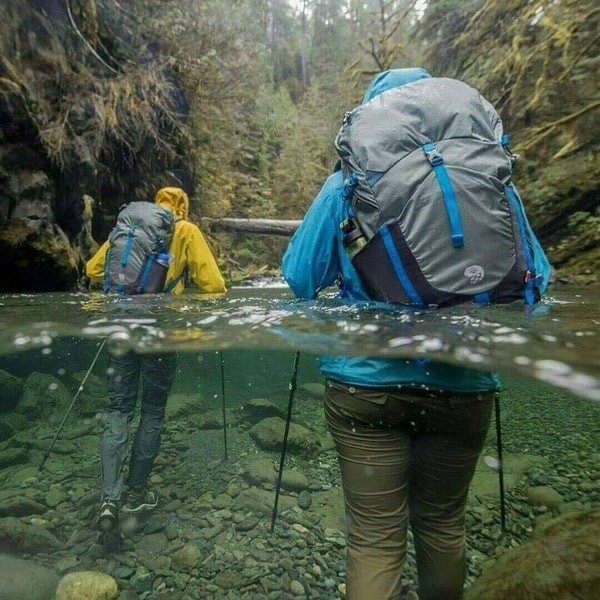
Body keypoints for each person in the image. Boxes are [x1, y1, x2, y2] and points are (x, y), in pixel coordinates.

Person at [282, 69, 551, 600]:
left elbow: (299, 278)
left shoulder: (346, 186)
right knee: (443, 526)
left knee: (376, 541)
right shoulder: (494, 182)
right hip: (464, 385)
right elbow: (535, 281)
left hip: (364, 387)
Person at [86, 186, 226, 541]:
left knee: (118, 409)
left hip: (120, 325)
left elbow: (92, 269)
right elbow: (214, 285)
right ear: (183, 207)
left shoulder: (130, 228)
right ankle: (136, 494)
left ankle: (108, 501)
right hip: (161, 332)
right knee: (152, 410)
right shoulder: (186, 230)